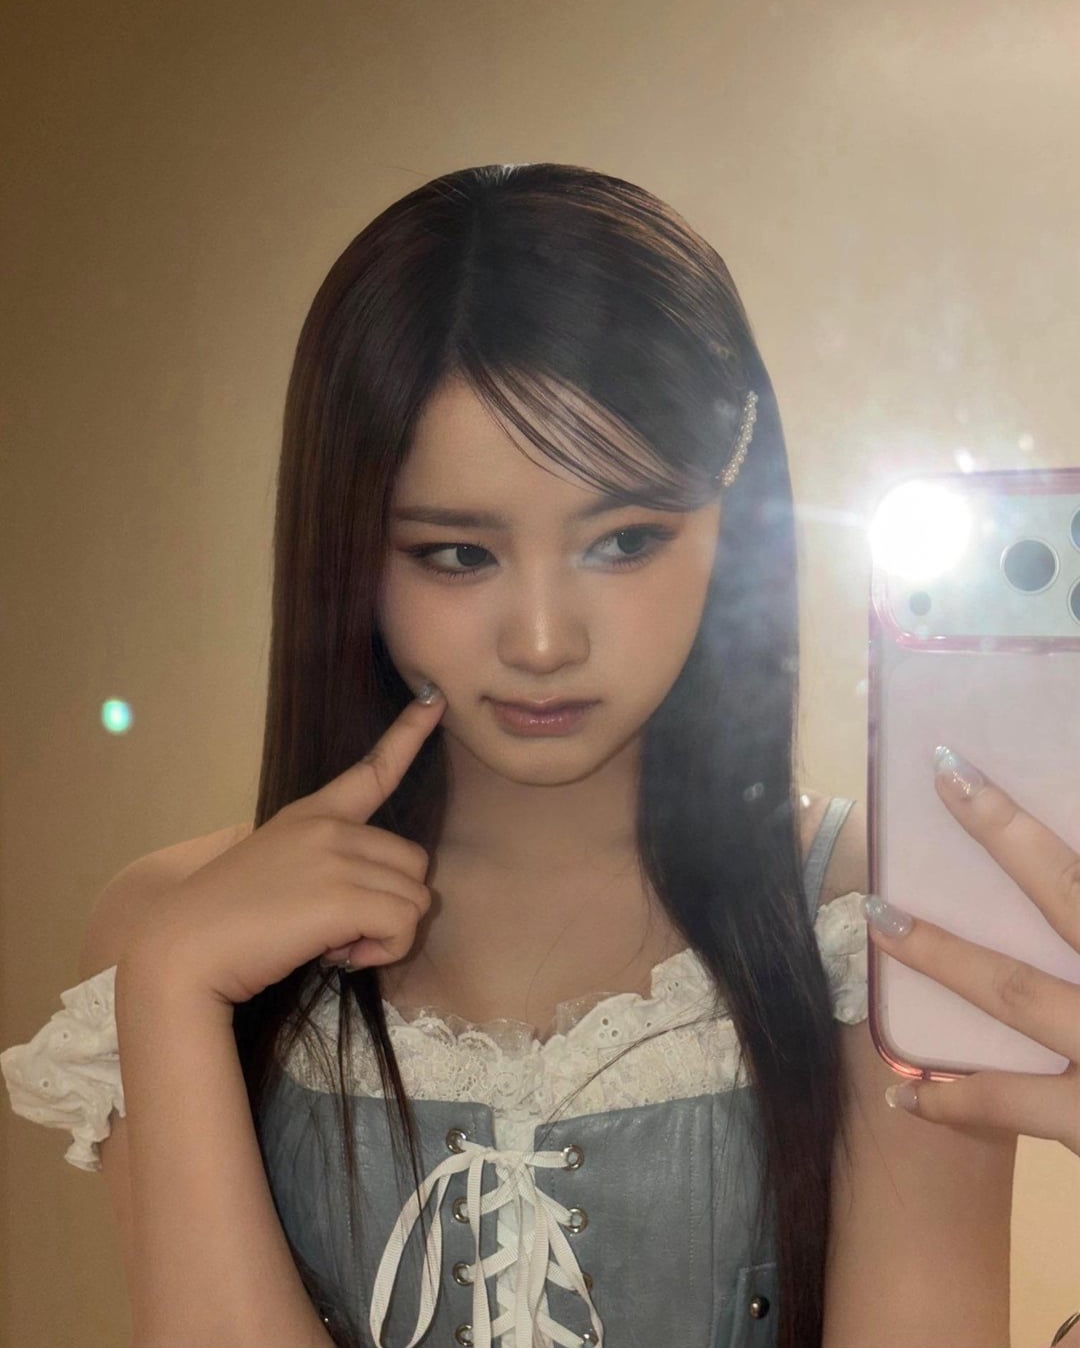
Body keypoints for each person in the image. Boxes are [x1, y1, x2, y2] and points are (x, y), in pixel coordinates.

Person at [2, 163, 1074, 1348]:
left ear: (734, 522)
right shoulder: (172, 930)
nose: (545, 641)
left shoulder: (876, 923)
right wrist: (171, 988)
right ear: (349, 551)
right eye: (459, 554)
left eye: (625, 539)